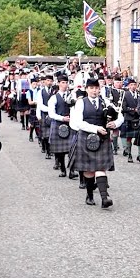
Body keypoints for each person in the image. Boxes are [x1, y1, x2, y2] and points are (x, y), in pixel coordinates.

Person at [69, 77, 120, 208]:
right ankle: (90, 194)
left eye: (96, 88)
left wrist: (115, 123)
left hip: (102, 139)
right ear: (87, 89)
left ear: (99, 89)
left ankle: (104, 198)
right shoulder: (81, 103)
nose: (94, 91)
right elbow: (78, 122)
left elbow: (120, 115)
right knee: (89, 171)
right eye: (91, 88)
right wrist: (95, 128)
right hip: (86, 138)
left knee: (101, 168)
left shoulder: (105, 102)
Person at [46, 74, 77, 178]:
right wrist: (62, 118)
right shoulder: (54, 98)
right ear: (58, 83)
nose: (65, 84)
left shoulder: (72, 96)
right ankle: (63, 169)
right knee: (60, 151)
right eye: (63, 82)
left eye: (66, 82)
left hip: (71, 125)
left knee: (73, 149)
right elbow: (51, 114)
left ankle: (72, 170)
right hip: (58, 124)